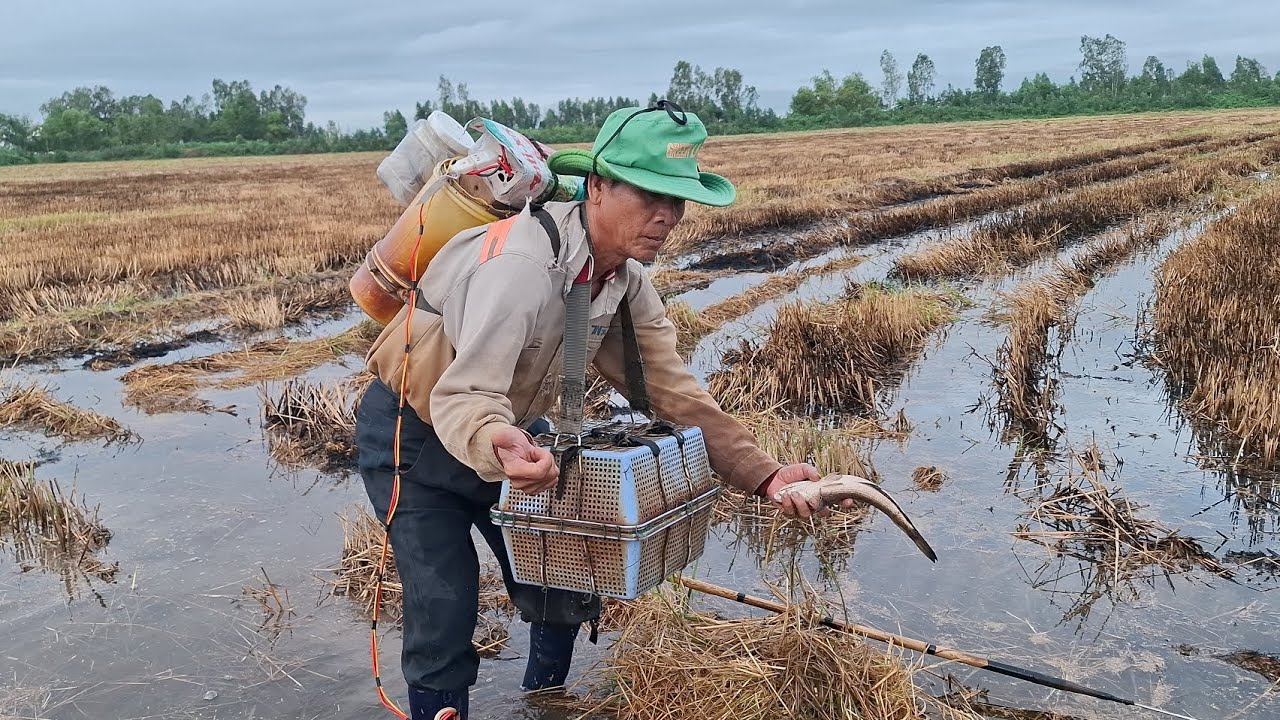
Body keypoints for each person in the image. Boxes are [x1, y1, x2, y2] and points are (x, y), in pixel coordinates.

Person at [355, 101, 835, 720]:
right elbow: (464, 394)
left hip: (511, 434)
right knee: (444, 606)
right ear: (598, 186)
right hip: (414, 437)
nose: (666, 216)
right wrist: (499, 440)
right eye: (648, 195)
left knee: (564, 579)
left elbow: (673, 392)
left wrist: (764, 475)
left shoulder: (622, 279)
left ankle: (544, 704)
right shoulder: (521, 266)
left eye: (677, 201)